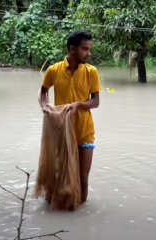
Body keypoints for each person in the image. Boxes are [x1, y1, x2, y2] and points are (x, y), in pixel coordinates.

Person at [38, 30, 101, 204]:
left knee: (83, 177)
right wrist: (45, 107)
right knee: (57, 175)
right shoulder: (54, 70)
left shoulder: (91, 72)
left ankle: (80, 212)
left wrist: (79, 104)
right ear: (73, 49)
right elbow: (43, 92)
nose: (88, 53)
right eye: (85, 49)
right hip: (61, 131)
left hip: (84, 131)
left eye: (89, 49)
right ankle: (55, 207)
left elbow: (95, 102)